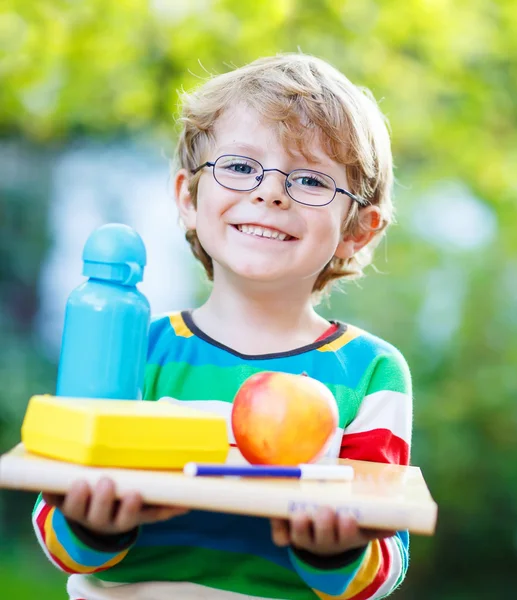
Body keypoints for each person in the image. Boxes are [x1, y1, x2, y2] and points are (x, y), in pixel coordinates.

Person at [33, 53, 413, 600]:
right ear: (189, 197)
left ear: (358, 230)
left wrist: (337, 550)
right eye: (239, 167)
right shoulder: (133, 346)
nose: (270, 193)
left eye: (309, 179)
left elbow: (384, 562)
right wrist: (93, 524)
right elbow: (53, 524)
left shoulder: (370, 371)